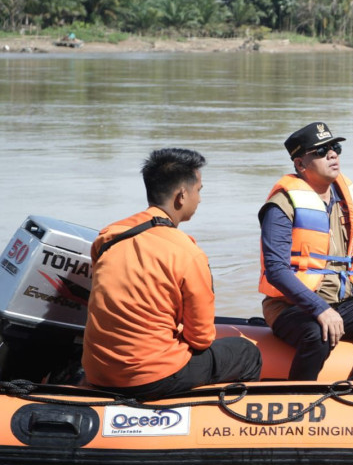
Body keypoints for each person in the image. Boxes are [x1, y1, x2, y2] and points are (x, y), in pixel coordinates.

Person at [83, 148, 261, 400]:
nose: (199, 199)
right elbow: (200, 338)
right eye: (199, 190)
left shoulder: (109, 237)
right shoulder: (187, 252)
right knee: (245, 353)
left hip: (97, 371)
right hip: (152, 376)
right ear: (181, 195)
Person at [259, 122, 353, 381]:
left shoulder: (347, 202)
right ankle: (298, 394)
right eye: (320, 151)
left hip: (342, 303)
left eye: (335, 147)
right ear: (300, 165)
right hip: (291, 307)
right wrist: (319, 309)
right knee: (317, 334)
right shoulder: (281, 205)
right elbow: (276, 270)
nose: (332, 154)